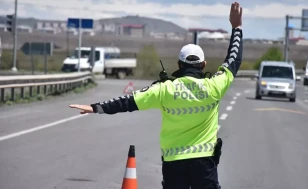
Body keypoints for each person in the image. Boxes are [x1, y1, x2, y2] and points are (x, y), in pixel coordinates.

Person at [69, 2, 243, 188]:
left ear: (178, 64)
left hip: (173, 163)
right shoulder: (214, 86)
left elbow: (128, 102)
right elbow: (234, 59)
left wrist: (96, 107)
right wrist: (237, 28)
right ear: (204, 64)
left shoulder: (164, 90)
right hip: (204, 164)